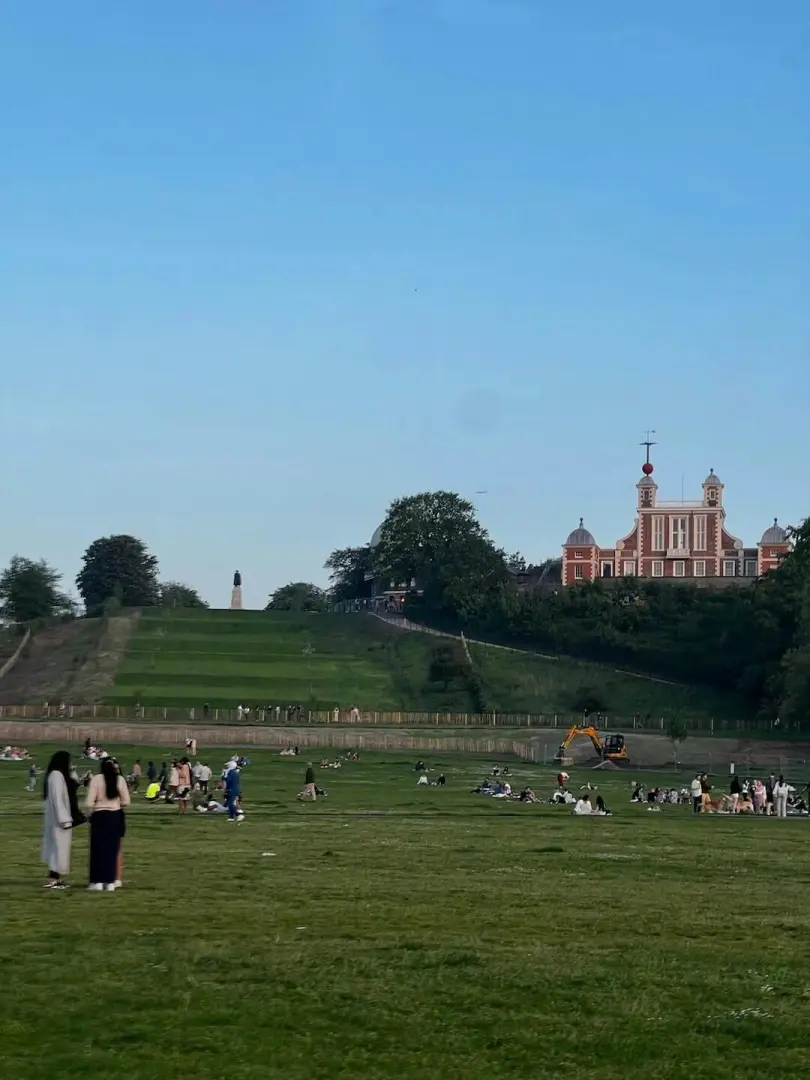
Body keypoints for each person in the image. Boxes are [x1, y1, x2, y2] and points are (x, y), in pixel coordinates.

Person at [85, 758, 131, 891]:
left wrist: (98, 805)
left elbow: (89, 803)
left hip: (99, 816)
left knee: (98, 849)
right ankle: (110, 881)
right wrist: (115, 803)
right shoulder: (120, 780)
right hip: (115, 816)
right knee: (112, 849)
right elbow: (126, 801)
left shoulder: (96, 779)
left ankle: (97, 881)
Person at [42, 751, 82, 889]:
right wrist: (64, 818)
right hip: (58, 820)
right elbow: (57, 799)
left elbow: (74, 784)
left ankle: (55, 878)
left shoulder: (60, 775)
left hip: (60, 819)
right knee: (58, 849)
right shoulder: (56, 776)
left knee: (60, 849)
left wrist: (72, 771)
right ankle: (53, 879)